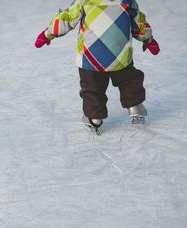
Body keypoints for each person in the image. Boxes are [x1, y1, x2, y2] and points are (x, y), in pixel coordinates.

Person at [34, 0, 160, 134]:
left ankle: (94, 118)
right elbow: (138, 23)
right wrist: (148, 40)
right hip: (119, 56)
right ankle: (135, 106)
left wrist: (47, 34)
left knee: (92, 87)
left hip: (91, 57)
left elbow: (68, 17)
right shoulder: (127, 1)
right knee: (128, 79)